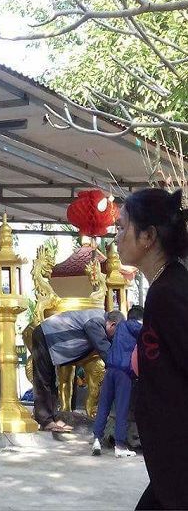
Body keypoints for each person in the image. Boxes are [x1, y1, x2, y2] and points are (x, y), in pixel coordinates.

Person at [115, 188, 188, 510]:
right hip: (170, 463)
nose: (116, 237)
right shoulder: (167, 285)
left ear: (148, 236)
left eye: (122, 227)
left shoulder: (168, 293)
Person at [30, 307, 119, 433]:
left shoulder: (99, 318)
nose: (115, 337)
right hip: (44, 335)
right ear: (112, 324)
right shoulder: (95, 322)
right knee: (43, 379)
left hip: (49, 338)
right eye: (116, 333)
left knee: (51, 381)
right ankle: (45, 421)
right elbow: (104, 348)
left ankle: (51, 418)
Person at [91, 310, 141, 458]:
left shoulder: (119, 327)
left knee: (103, 406)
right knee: (121, 409)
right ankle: (120, 446)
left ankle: (96, 440)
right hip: (124, 373)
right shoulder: (136, 326)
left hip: (110, 370)